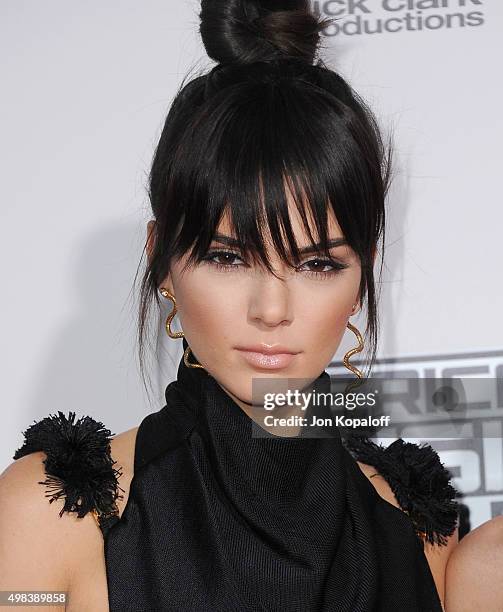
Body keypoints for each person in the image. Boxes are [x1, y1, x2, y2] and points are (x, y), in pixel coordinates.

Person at [0, 1, 459, 610]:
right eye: (227, 257)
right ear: (162, 257)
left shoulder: (419, 528)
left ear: (364, 274)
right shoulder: (54, 510)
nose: (272, 308)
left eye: (317, 264)